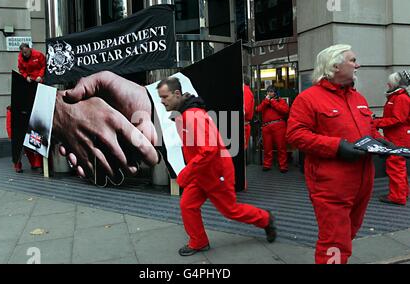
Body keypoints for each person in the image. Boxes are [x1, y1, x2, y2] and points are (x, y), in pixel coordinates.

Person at [286, 44, 388, 264]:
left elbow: (368, 128)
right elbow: (295, 135)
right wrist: (336, 146)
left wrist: (380, 142)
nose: (357, 65)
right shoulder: (308, 98)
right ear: (334, 66)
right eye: (352, 60)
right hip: (330, 184)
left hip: (363, 182)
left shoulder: (358, 98)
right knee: (334, 241)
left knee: (347, 235)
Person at [156, 76, 277, 256]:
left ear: (177, 94)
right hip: (203, 170)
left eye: (164, 97)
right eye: (160, 97)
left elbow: (209, 150)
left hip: (215, 170)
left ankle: (265, 219)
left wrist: (185, 173)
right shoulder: (186, 114)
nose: (162, 101)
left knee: (231, 211)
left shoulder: (192, 116)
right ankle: (199, 242)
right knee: (187, 205)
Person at [374, 71, 410, 206]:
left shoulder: (400, 98)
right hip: (398, 136)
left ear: (396, 84)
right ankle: (402, 193)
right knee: (398, 166)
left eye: (390, 81)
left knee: (395, 166)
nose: (388, 84)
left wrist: (377, 123)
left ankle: (397, 196)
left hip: (398, 137)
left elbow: (398, 119)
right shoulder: (397, 97)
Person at [17, 43, 45, 170]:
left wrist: (40, 76)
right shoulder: (20, 58)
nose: (25, 54)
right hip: (29, 82)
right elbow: (21, 69)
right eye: (23, 53)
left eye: (27, 52)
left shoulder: (38, 55)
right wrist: (25, 77)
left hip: (39, 80)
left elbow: (44, 65)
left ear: (29, 49)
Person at [255, 85, 289, 173]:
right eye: (268, 91)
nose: (270, 93)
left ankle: (283, 166)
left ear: (275, 92)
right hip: (266, 127)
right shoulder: (265, 101)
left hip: (279, 125)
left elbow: (285, 110)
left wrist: (273, 102)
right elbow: (258, 109)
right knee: (267, 147)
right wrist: (266, 101)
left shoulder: (280, 101)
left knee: (281, 147)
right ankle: (267, 165)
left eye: (271, 91)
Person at [6, 105, 23, 173]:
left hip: (24, 132)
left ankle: (35, 164)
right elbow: (9, 124)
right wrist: (10, 135)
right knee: (18, 150)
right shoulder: (11, 111)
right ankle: (17, 166)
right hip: (16, 134)